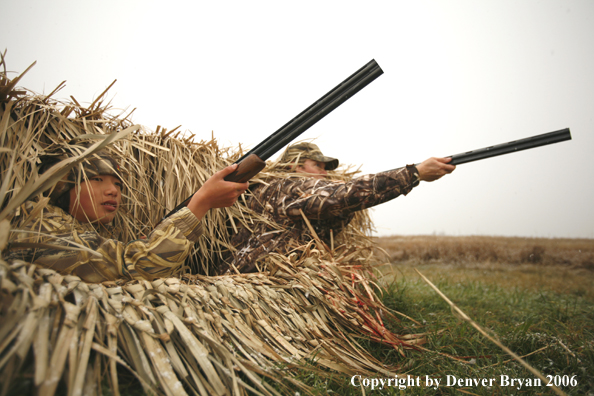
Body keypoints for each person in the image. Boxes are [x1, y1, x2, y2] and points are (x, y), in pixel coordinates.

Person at [5, 143, 248, 283]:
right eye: (97, 179)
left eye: (118, 184)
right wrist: (201, 203)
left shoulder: (69, 228)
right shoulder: (36, 225)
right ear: (61, 185)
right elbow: (138, 267)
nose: (113, 191)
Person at [218, 142, 455, 274]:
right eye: (317, 165)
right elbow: (344, 195)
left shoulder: (267, 189)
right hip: (256, 277)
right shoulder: (288, 186)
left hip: (244, 273)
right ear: (294, 166)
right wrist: (414, 173)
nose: (324, 172)